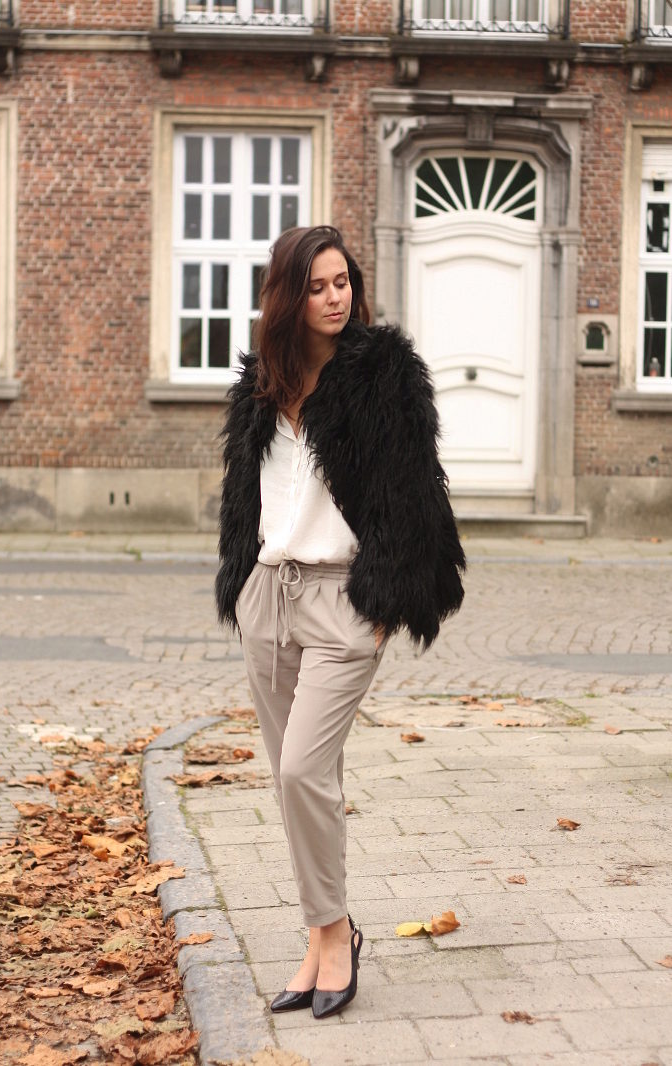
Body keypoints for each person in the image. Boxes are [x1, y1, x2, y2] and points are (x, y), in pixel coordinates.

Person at [215, 225, 465, 1020]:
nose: (334, 297)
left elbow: (416, 496)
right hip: (269, 595)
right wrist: (242, 583)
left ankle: (331, 934)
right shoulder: (261, 385)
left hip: (345, 600)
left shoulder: (383, 376)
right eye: (317, 286)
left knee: (301, 770)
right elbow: (244, 495)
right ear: (288, 297)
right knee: (299, 783)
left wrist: (388, 601)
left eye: (342, 282)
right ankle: (327, 936)